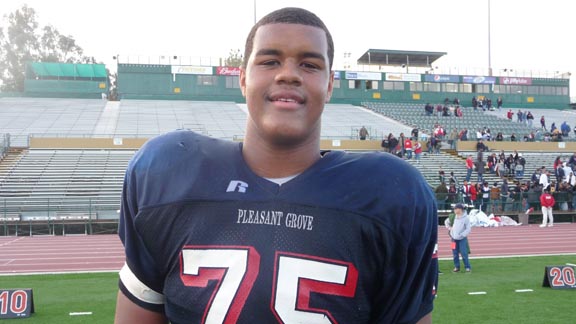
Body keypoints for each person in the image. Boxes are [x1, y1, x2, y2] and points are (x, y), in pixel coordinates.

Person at [114, 7, 437, 324]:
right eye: (269, 61)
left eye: (309, 64)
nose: (288, 74)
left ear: (329, 86)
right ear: (242, 78)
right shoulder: (169, 172)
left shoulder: (390, 195)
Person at [446, 203, 472, 272]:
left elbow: (468, 229)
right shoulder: (453, 216)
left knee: (464, 253)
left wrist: (462, 235)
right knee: (454, 253)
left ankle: (467, 267)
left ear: (460, 209)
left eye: (455, 209)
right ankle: (457, 267)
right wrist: (449, 228)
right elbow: (446, 222)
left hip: (462, 239)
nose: (454, 210)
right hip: (453, 239)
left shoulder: (466, 218)